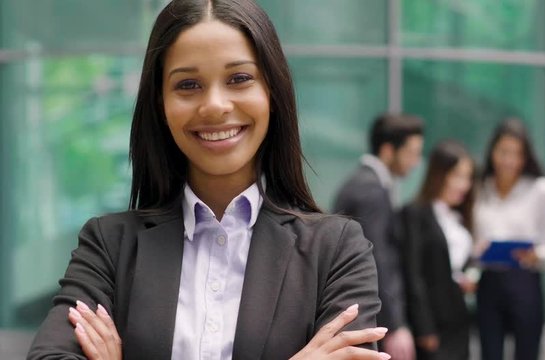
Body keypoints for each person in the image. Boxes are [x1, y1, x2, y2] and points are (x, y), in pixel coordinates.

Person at [27, 1, 390, 359]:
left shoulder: (337, 250)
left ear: (272, 93)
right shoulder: (109, 247)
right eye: (188, 84)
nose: (215, 105)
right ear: (160, 104)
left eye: (239, 78)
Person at [333, 113, 424, 360]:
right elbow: (377, 259)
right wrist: (394, 325)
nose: (416, 162)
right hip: (367, 318)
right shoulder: (371, 190)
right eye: (412, 152)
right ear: (387, 150)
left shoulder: (365, 183)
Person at [473, 119, 545, 360]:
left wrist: (537, 255)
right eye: (503, 152)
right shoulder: (481, 188)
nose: (509, 160)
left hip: (524, 279)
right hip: (488, 281)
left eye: (517, 154)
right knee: (489, 352)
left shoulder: (541, 190)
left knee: (527, 353)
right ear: (492, 152)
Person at [397, 140, 476, 360]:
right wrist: (424, 327)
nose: (464, 184)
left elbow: (455, 266)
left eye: (468, 177)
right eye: (457, 175)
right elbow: (413, 274)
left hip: (458, 318)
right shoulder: (414, 213)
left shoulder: (459, 218)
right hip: (433, 323)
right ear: (438, 174)